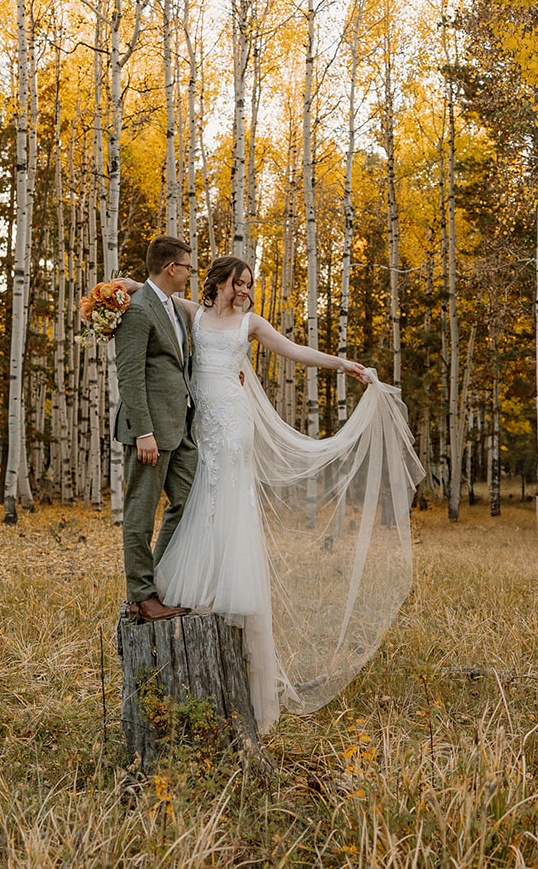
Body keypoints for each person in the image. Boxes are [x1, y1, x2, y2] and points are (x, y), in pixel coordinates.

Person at [127, 254, 421, 735]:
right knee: (200, 501)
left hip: (233, 427)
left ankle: (220, 594)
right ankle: (198, 589)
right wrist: (115, 289)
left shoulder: (251, 323)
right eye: (238, 283)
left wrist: (342, 363)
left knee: (223, 502)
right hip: (200, 424)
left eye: (249, 284)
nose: (244, 290)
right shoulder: (193, 314)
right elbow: (153, 292)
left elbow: (294, 351)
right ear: (219, 282)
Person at [112, 235, 199, 623]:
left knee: (191, 502)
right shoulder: (138, 310)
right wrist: (143, 431)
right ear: (171, 268)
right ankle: (142, 598)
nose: (189, 274)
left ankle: (157, 578)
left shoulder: (175, 311)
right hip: (149, 432)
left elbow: (179, 366)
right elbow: (129, 375)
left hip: (180, 430)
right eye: (187, 268)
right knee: (141, 513)